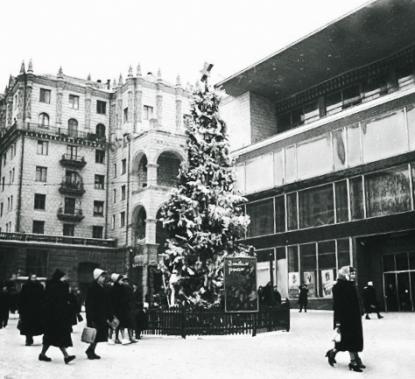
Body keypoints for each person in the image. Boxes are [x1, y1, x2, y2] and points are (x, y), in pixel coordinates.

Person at [325, 266, 365, 372]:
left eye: (354, 274)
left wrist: (360, 310)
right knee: (349, 340)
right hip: (344, 318)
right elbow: (338, 306)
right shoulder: (339, 287)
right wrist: (338, 322)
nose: (354, 277)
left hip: (353, 317)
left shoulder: (351, 285)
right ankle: (354, 362)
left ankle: (333, 353)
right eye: (351, 274)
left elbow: (355, 302)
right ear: (345, 275)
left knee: (348, 340)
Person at [39, 269, 75, 364]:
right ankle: (66, 356)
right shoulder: (60, 286)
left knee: (50, 337)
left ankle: (42, 354)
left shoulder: (51, 285)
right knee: (57, 336)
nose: (65, 278)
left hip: (52, 316)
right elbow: (65, 299)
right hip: (57, 316)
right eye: (64, 276)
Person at [85, 268, 114, 359]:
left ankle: (91, 350)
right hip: (95, 315)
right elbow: (89, 304)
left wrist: (109, 314)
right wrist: (90, 317)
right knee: (95, 333)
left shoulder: (103, 287)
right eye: (102, 277)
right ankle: (90, 351)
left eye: (104, 277)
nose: (103, 278)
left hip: (102, 314)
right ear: (97, 277)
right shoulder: (92, 287)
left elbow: (107, 301)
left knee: (99, 334)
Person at [18, 274, 45, 345]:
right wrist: (21, 309)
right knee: (28, 325)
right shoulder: (25, 286)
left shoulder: (39, 286)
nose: (33, 279)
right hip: (27, 310)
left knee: (36, 324)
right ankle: (28, 339)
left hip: (37, 309)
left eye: (35, 277)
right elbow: (22, 298)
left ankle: (32, 337)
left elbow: (43, 297)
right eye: (32, 277)